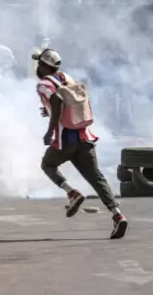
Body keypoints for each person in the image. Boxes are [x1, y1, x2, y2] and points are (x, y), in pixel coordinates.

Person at [33, 48, 128, 239]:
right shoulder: (66, 77)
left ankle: (72, 193)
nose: (37, 66)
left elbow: (58, 101)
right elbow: (70, 102)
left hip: (65, 140)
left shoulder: (43, 84)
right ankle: (118, 215)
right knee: (96, 177)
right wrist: (49, 111)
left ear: (44, 66)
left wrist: (50, 131)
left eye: (39, 63)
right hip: (84, 137)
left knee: (48, 164)